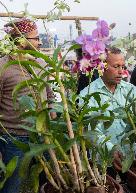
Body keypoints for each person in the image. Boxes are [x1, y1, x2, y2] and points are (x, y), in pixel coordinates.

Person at [0, 18, 51, 193]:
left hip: (43, 135)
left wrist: (51, 112)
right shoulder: (3, 67)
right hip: (14, 137)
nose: (39, 41)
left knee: (49, 180)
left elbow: (49, 94)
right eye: (35, 38)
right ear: (21, 41)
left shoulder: (42, 63)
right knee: (12, 185)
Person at [80, 47, 136, 148]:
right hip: (104, 160)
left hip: (134, 157)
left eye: (123, 67)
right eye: (116, 66)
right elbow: (91, 130)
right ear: (102, 66)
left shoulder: (131, 90)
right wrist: (110, 150)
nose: (121, 71)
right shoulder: (88, 94)